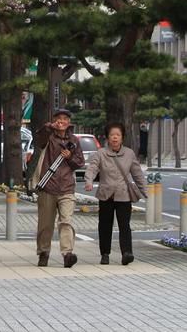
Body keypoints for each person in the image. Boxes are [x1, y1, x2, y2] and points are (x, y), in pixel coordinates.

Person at [84, 121, 147, 265]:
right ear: (107, 137)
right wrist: (89, 181)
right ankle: (105, 254)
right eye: (112, 135)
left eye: (118, 135)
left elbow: (137, 174)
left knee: (124, 225)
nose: (115, 137)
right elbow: (92, 168)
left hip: (123, 195)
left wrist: (145, 191)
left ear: (122, 137)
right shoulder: (101, 154)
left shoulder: (129, 154)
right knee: (105, 225)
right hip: (106, 194)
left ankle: (127, 253)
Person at [33, 107, 83, 268]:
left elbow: (79, 162)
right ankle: (43, 253)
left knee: (66, 221)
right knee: (45, 224)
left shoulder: (74, 140)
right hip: (47, 186)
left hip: (67, 186)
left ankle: (67, 254)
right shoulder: (48, 137)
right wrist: (49, 127)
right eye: (59, 118)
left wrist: (70, 158)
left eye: (65, 118)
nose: (62, 121)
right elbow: (39, 139)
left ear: (69, 122)